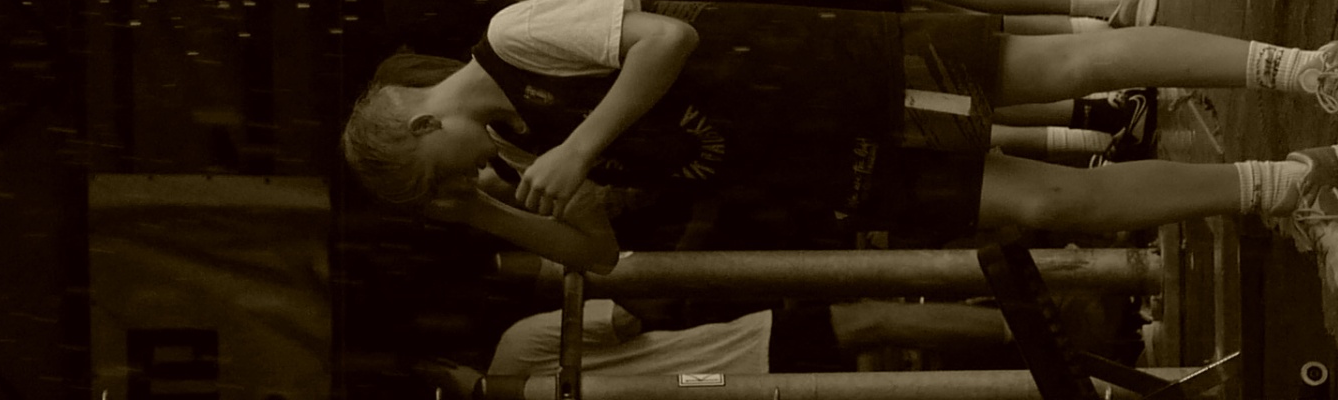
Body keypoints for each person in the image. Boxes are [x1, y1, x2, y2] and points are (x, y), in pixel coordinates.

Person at [340, 0, 1338, 300]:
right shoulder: (511, 159)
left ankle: (1311, 67)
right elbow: (602, 255)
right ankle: (1292, 185)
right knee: (1044, 205)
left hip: (825, 70)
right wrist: (482, 212)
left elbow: (667, 36)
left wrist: (580, 147)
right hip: (814, 167)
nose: (463, 180)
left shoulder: (513, 38)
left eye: (441, 172)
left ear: (425, 119)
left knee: (1061, 67)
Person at [419, 297, 1022, 398]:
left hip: (726, 383)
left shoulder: (518, 351)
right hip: (739, 351)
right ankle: (1023, 329)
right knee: (876, 322)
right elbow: (628, 318)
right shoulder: (519, 343)